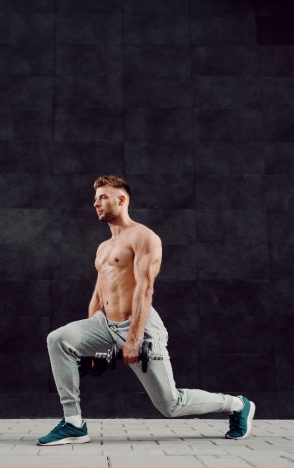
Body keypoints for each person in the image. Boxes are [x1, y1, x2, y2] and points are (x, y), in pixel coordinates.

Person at [37, 175, 255, 446]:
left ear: (121, 199)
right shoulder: (103, 247)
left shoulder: (144, 237)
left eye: (103, 197)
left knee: (170, 404)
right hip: (105, 324)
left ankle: (237, 405)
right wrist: (91, 336)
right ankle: (73, 423)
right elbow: (100, 290)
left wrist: (133, 339)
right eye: (95, 198)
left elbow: (144, 290)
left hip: (140, 327)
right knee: (58, 339)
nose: (96, 203)